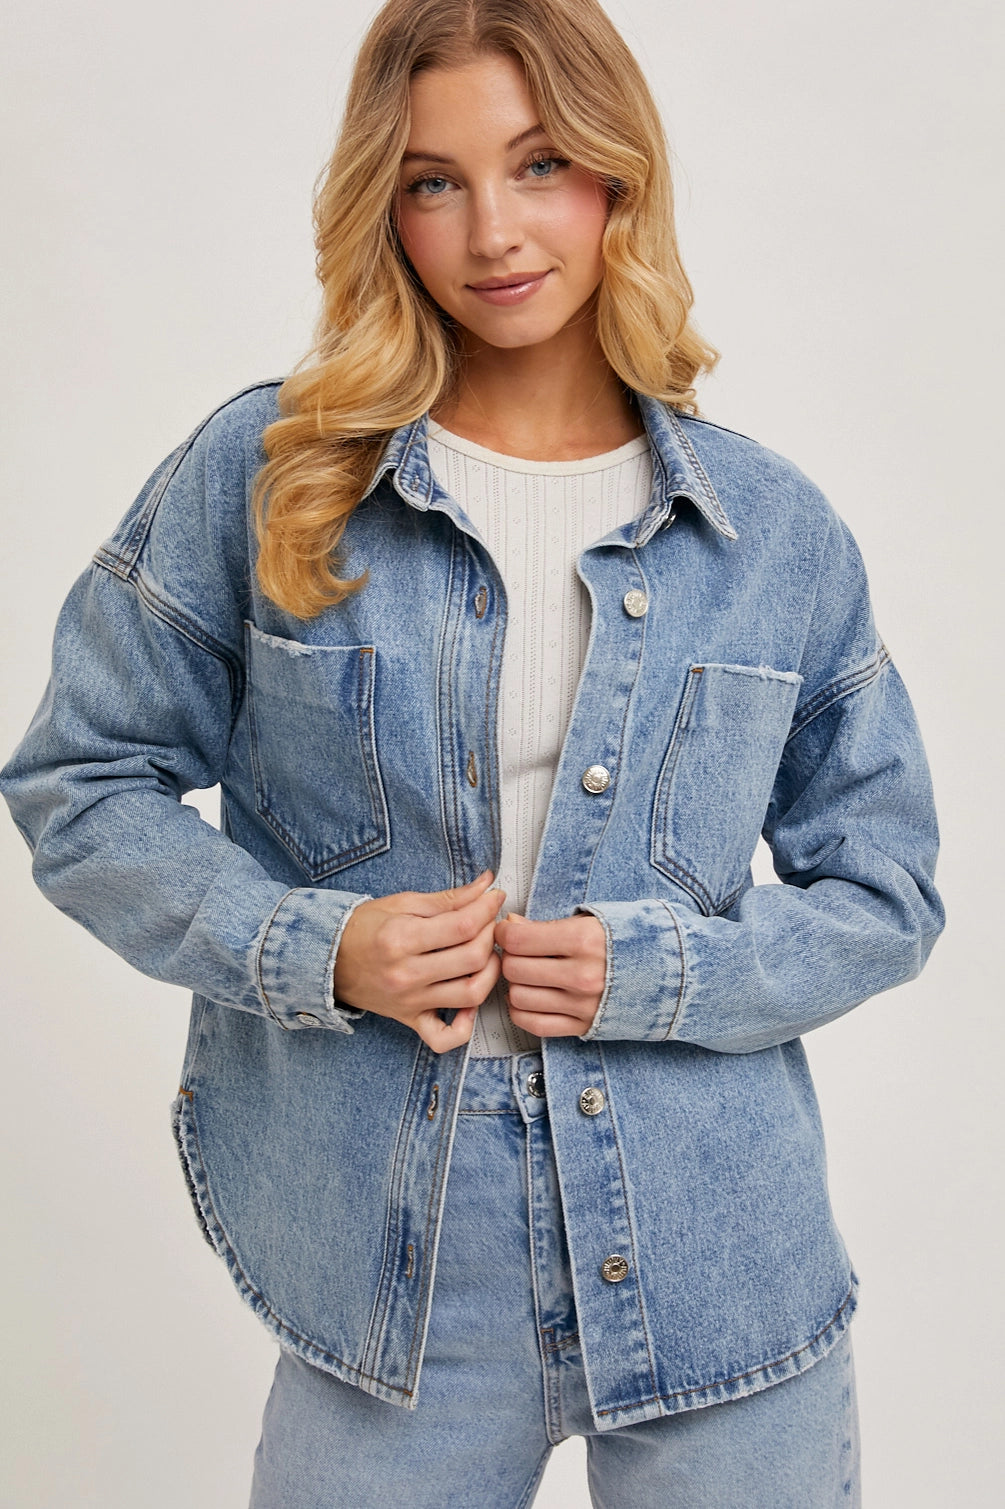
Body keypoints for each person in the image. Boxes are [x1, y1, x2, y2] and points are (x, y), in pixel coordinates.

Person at [0, 0, 944, 1503]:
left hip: (715, 1254)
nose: (490, 229)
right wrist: (318, 944)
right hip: (392, 1273)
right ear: (384, 203)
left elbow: (885, 889)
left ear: (618, 180)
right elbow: (81, 783)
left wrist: (664, 970)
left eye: (539, 164)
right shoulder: (273, 478)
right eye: (433, 179)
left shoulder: (773, 531)